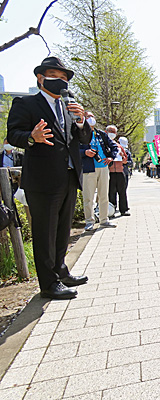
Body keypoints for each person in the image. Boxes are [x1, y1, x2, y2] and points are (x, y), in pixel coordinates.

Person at [7, 56, 91, 300]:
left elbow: (83, 139)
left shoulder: (68, 107)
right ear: (40, 78)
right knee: (45, 233)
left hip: (68, 177)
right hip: (43, 179)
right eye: (55, 76)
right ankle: (48, 284)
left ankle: (61, 271)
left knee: (63, 230)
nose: (60, 81)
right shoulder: (26, 103)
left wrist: (82, 122)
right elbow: (13, 134)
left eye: (64, 78)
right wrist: (32, 137)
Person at [79, 112, 118, 231]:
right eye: (87, 117)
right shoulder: (79, 133)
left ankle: (104, 219)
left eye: (92, 117)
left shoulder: (100, 133)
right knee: (88, 197)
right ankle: (89, 221)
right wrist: (84, 152)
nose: (90, 119)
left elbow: (114, 146)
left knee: (104, 195)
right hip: (88, 168)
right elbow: (73, 149)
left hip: (103, 167)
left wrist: (111, 157)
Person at [107, 126, 130, 216]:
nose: (112, 133)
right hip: (110, 172)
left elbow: (125, 160)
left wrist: (122, 156)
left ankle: (124, 210)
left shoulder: (119, 146)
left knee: (122, 191)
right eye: (110, 131)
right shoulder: (105, 144)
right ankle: (111, 211)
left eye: (114, 132)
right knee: (111, 192)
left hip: (120, 171)